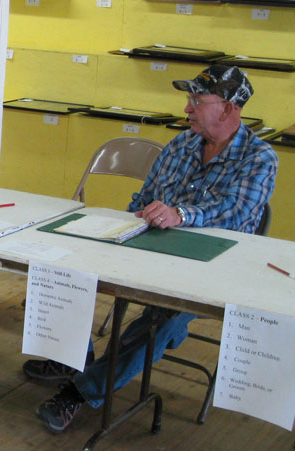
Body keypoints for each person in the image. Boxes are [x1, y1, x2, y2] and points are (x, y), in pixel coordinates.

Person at [27, 64, 277, 434]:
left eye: (197, 100)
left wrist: (179, 213)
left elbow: (234, 213)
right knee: (62, 263)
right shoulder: (181, 144)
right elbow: (144, 197)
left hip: (206, 266)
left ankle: (80, 392)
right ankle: (73, 357)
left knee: (160, 319)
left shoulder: (259, 158)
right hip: (147, 244)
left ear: (228, 108)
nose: (188, 108)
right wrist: (131, 219)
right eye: (188, 99)